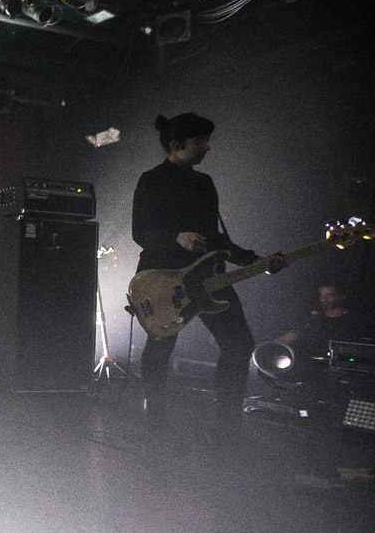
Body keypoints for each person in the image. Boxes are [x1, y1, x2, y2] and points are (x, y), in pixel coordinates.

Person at [131, 112, 284, 429]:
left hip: (207, 276)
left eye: (206, 141)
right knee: (161, 342)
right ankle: (155, 417)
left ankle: (228, 420)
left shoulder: (204, 183)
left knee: (239, 343)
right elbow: (140, 232)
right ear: (176, 145)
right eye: (199, 142)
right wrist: (176, 237)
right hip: (164, 279)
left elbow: (216, 238)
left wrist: (252, 260)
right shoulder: (151, 180)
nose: (207, 148)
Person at [275, 283, 373, 361]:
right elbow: (295, 333)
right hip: (312, 364)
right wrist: (274, 344)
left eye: (329, 295)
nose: (324, 300)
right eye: (321, 295)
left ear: (341, 296)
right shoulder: (313, 318)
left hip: (341, 364)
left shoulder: (354, 320)